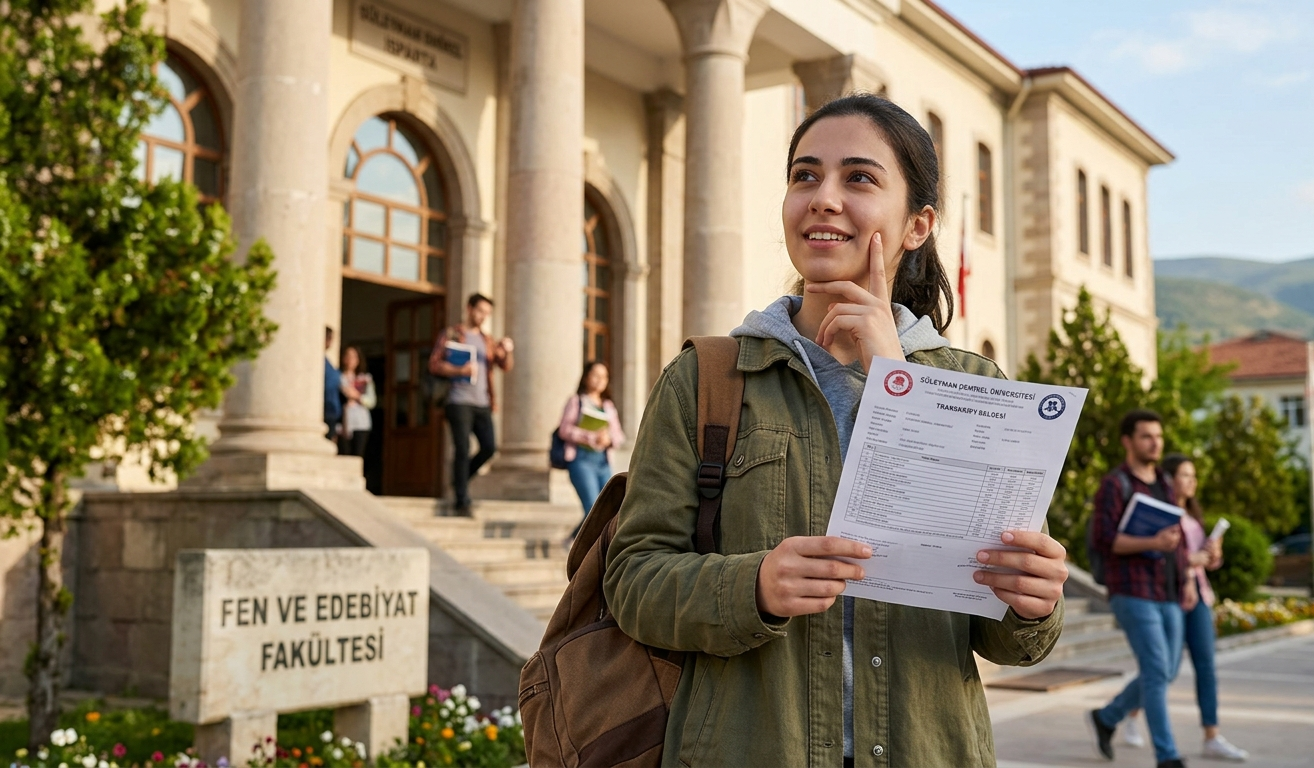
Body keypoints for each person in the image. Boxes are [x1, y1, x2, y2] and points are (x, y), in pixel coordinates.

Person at [603, 94, 1069, 767]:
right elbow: (633, 583)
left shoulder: (980, 391)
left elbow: (1013, 641)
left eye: (859, 178)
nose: (823, 197)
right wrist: (753, 585)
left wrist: (1031, 601)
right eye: (804, 175)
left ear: (918, 224)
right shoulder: (708, 378)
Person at [1120, 455, 1249, 762]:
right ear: (1169, 478)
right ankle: (1123, 713)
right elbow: (1164, 559)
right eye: (1185, 475)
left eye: (1194, 475)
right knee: (1166, 669)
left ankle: (1211, 735)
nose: (1192, 481)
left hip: (1200, 596)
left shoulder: (1193, 515)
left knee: (1205, 665)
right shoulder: (1162, 514)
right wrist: (1191, 566)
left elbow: (1204, 561)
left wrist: (1213, 554)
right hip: (1172, 595)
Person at [1088, 410, 1195, 768]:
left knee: (1167, 671)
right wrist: (1152, 540)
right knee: (1154, 669)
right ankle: (1167, 756)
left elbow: (1174, 538)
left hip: (1168, 590)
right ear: (1128, 441)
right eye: (1147, 436)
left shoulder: (1165, 483)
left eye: (1159, 436)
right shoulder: (1115, 484)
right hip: (1131, 590)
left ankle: (1107, 717)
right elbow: (1105, 540)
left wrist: (1189, 576)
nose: (1155, 443)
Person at [428, 293, 514, 514]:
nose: (483, 316)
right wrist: (459, 370)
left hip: (483, 402)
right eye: (480, 311)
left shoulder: (487, 340)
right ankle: (462, 500)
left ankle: (460, 480)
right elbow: (434, 364)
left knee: (489, 447)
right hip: (458, 400)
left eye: (487, 313)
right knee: (463, 448)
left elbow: (504, 365)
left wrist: (507, 350)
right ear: (469, 309)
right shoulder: (452, 334)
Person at [556, 361, 626, 540]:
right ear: (586, 377)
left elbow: (619, 436)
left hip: (602, 462)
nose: (600, 380)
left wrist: (608, 438)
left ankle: (573, 540)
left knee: (609, 509)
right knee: (593, 508)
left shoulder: (608, 406)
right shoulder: (576, 401)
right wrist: (589, 436)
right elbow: (564, 429)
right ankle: (575, 541)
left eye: (604, 377)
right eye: (596, 375)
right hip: (581, 460)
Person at [338, 346, 375, 458]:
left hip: (360, 423)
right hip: (343, 422)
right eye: (348, 356)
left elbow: (371, 401)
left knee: (358, 455)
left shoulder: (365, 379)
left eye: (353, 357)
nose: (350, 360)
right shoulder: (339, 378)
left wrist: (357, 396)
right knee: (344, 455)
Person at [324, 326, 342, 439]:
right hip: (325, 409)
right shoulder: (319, 361)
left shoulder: (326, 361)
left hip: (331, 410)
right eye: (329, 338)